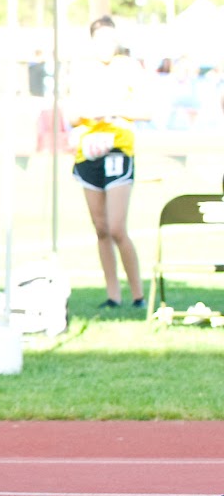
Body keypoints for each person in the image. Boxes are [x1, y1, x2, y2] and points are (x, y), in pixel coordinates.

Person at [70, 16, 145, 310]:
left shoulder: (128, 68)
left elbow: (146, 108)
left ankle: (138, 293)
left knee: (116, 227)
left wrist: (115, 109)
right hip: (89, 152)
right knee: (100, 227)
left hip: (118, 150)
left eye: (111, 39)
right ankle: (113, 294)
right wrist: (91, 112)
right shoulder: (82, 70)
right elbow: (72, 114)